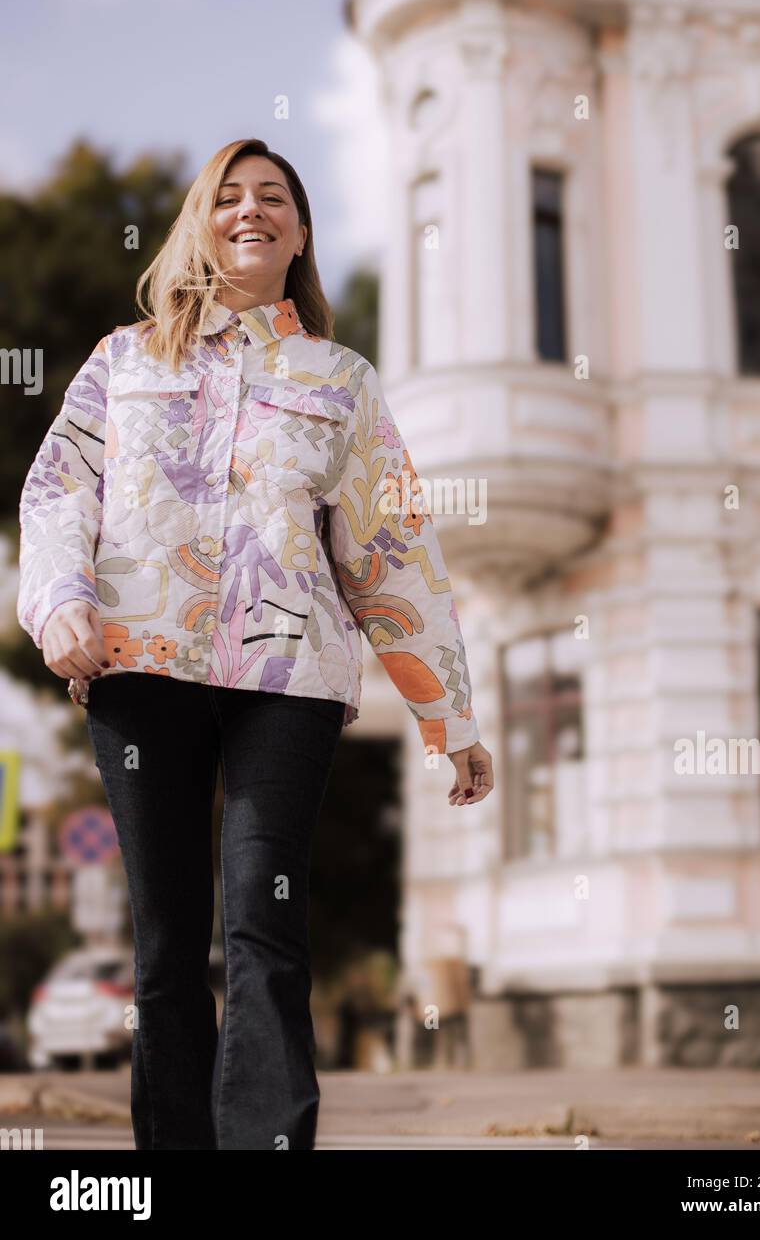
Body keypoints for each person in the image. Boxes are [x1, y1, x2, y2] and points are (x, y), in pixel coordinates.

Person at [16, 137, 494, 1150]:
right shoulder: (124, 358)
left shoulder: (341, 379)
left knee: (263, 926)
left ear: (299, 232)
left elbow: (391, 548)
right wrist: (58, 602)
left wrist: (448, 718)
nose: (250, 209)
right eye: (227, 196)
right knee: (164, 944)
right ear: (199, 223)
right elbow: (60, 488)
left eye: (272, 196)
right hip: (137, 665)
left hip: (289, 677)